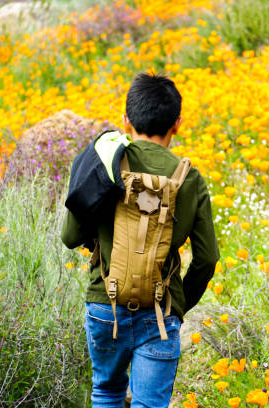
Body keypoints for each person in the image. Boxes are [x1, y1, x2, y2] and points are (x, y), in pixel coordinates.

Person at [61, 72, 219, 408]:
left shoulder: (108, 162)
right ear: (177, 124)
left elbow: (69, 236)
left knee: (106, 392)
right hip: (161, 313)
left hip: (106, 304)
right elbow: (207, 259)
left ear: (126, 120)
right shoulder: (189, 178)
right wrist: (178, 305)